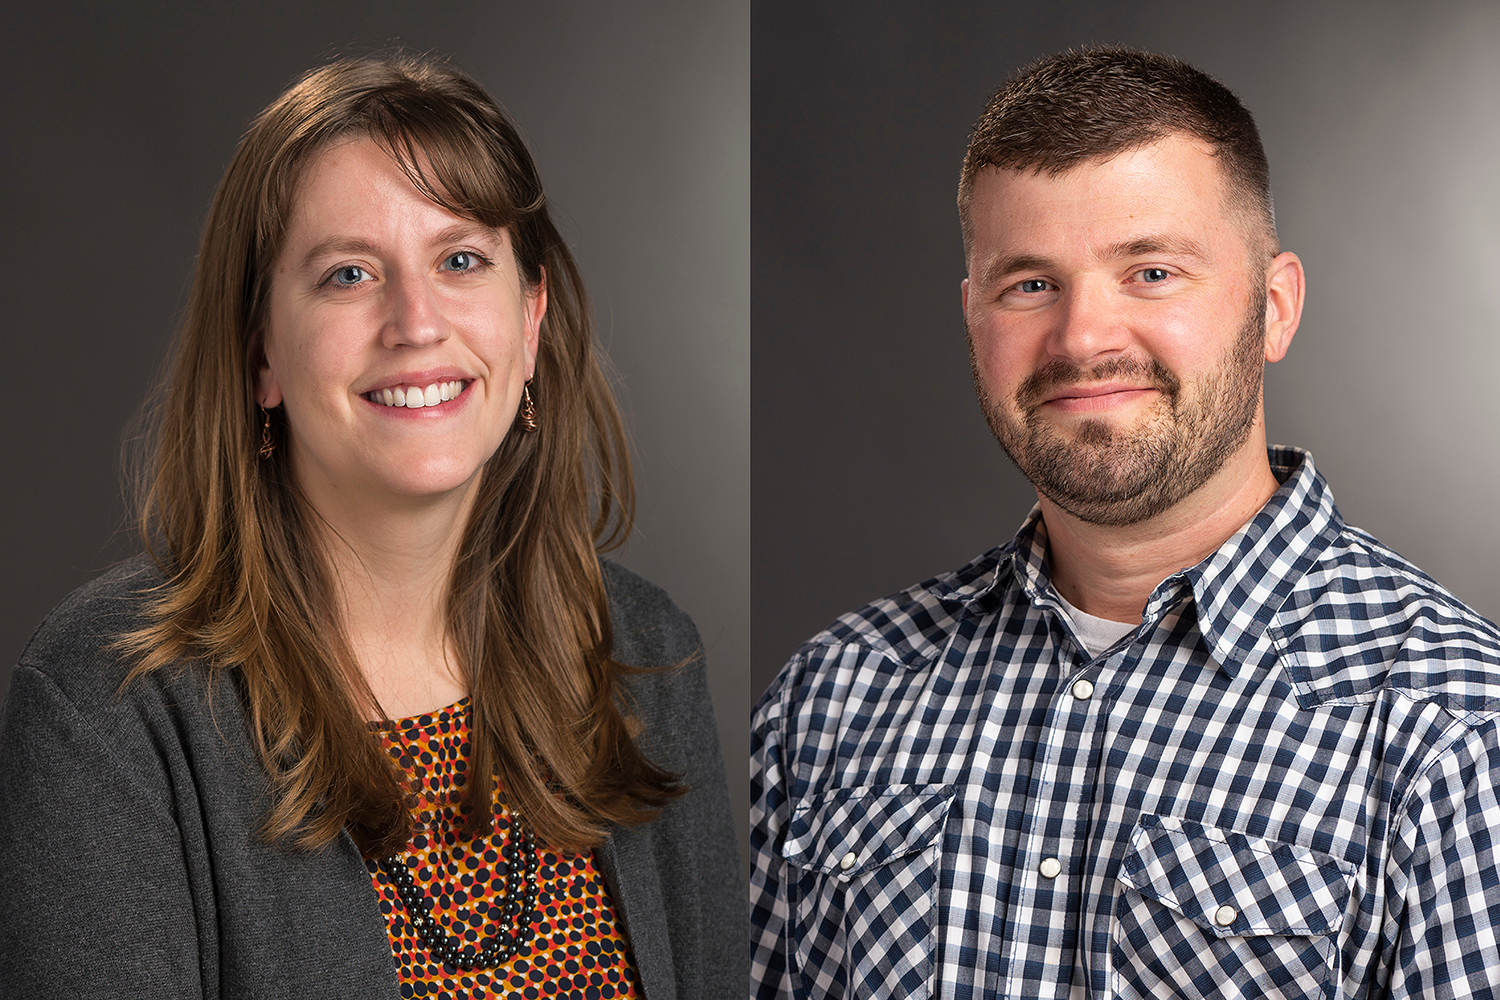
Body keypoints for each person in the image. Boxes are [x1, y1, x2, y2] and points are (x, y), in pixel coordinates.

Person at [750, 45, 1500, 999]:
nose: (1083, 339)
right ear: (972, 316)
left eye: (1150, 272)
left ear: (1273, 308)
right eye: (1030, 284)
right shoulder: (828, 701)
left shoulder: (1455, 734)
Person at [0, 54, 743, 999]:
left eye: (461, 260)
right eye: (348, 274)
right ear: (261, 351)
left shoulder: (641, 652)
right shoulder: (111, 709)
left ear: (531, 319)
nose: (415, 322)